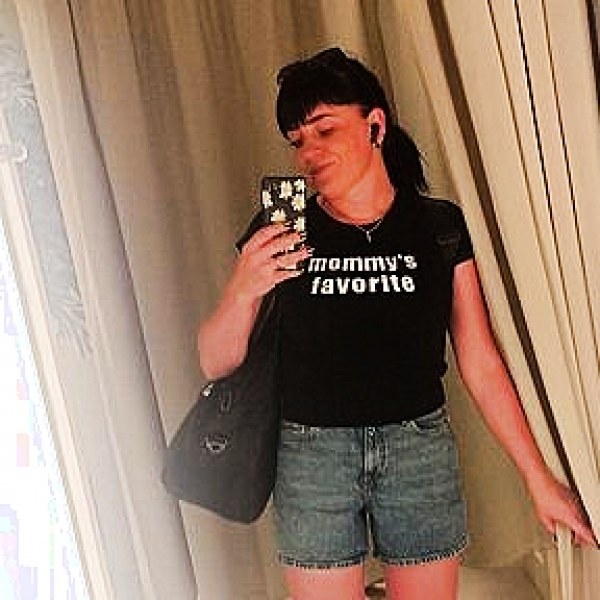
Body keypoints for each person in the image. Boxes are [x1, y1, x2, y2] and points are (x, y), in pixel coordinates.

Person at [198, 47, 595, 600]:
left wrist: (538, 478)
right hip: (313, 454)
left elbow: (478, 357)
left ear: (375, 125)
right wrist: (244, 287)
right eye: (297, 140)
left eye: (325, 130)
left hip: (417, 447)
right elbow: (215, 362)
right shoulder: (281, 230)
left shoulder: (438, 226)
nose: (309, 152)